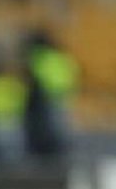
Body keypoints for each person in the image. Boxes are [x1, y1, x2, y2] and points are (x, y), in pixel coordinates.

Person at [21, 29, 77, 163]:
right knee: (59, 133)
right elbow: (72, 78)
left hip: (44, 101)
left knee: (45, 134)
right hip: (61, 99)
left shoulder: (39, 58)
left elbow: (32, 80)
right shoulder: (62, 58)